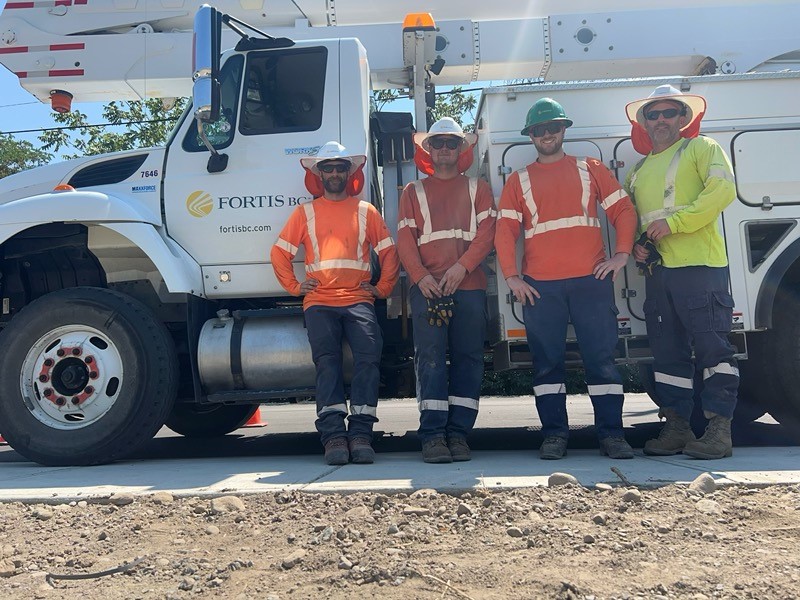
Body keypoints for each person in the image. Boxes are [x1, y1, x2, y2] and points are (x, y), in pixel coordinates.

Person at [495, 98, 637, 460]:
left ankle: (612, 436)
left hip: (590, 282)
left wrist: (621, 254)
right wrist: (512, 277)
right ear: (530, 135)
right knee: (547, 365)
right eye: (539, 129)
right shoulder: (519, 179)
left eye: (553, 127)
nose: (546, 134)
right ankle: (554, 436)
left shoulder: (590, 168)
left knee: (601, 360)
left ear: (564, 130)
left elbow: (623, 210)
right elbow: (505, 231)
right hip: (540, 288)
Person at [624, 85, 738, 459]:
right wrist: (639, 243)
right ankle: (677, 427)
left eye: (669, 113)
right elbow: (641, 220)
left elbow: (722, 191)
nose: (660, 120)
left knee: (713, 349)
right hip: (659, 273)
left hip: (701, 266)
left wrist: (676, 224)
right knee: (667, 353)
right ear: (644, 122)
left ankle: (720, 431)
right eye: (653, 115)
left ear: (683, 118)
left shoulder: (702, 148)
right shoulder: (638, 171)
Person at [271, 141, 400, 465]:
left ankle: (360, 435)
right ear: (319, 174)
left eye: (339, 168)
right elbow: (279, 253)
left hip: (358, 300)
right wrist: (295, 287)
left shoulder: (365, 211)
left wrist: (382, 287)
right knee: (327, 365)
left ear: (348, 173)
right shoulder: (305, 213)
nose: (333, 173)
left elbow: (388, 252)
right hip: (319, 302)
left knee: (368, 360)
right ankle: (333, 438)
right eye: (327, 168)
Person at [397, 117, 496, 463]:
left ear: (461, 149)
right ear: (428, 151)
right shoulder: (413, 191)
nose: (443, 150)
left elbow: (487, 234)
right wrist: (420, 277)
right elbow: (405, 240)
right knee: (431, 360)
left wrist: (461, 267)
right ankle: (434, 436)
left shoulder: (478, 188)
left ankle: (459, 435)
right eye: (437, 144)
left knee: (468, 360)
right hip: (427, 289)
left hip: (468, 286)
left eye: (450, 144)